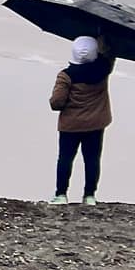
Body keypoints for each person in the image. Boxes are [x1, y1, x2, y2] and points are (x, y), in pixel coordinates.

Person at [51, 35, 113, 205]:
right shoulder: (103, 70)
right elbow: (108, 55)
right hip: (95, 124)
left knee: (65, 159)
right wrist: (103, 36)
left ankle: (61, 194)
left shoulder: (65, 76)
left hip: (70, 125)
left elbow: (56, 103)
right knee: (92, 159)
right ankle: (89, 196)